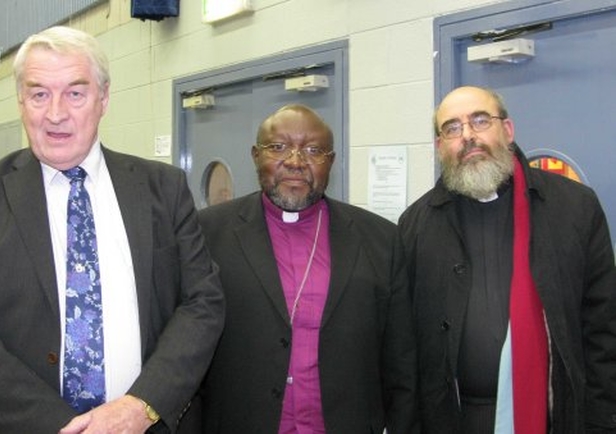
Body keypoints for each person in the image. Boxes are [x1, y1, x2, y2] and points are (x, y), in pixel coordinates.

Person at [0, 26, 225, 434]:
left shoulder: (163, 189)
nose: (56, 113)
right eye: (39, 94)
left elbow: (203, 303)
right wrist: (64, 427)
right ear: (21, 101)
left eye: (75, 93)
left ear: (104, 99)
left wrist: (142, 406)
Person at [185, 104, 418, 433]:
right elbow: (186, 350)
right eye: (278, 147)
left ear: (331, 162)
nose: (295, 162)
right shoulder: (207, 233)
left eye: (313, 150)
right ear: (255, 155)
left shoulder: (379, 239)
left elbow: (401, 362)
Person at [397, 85, 616, 433]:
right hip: (452, 419)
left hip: (551, 416)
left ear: (507, 130)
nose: (467, 136)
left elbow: (603, 331)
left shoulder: (574, 208)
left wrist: (602, 423)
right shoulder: (415, 225)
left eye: (480, 121)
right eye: (452, 128)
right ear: (440, 147)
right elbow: (403, 346)